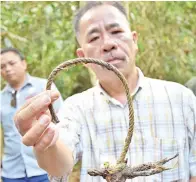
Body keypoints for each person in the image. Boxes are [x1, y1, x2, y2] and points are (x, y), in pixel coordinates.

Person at [13, 2, 196, 182]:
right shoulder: (76, 108)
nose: (108, 44)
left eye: (116, 32)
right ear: (83, 57)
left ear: (134, 40)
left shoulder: (182, 98)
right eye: (94, 38)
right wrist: (46, 143)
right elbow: (59, 165)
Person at [0, 47, 63, 182]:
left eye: (12, 63)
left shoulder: (44, 87)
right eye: (2, 66)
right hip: (11, 171)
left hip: (43, 168)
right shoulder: (1, 98)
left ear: (24, 63)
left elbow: (62, 120)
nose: (7, 69)